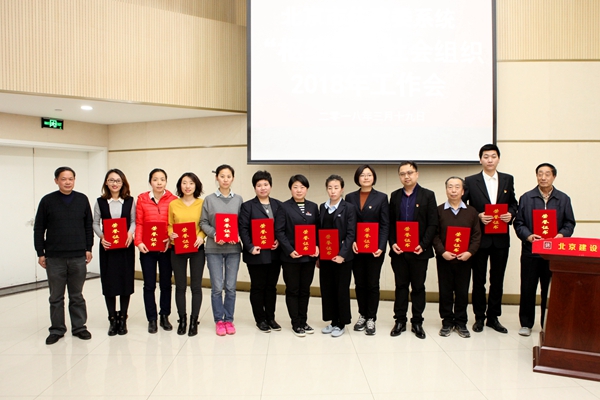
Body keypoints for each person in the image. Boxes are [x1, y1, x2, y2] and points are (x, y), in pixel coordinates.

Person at [513, 163, 575, 337]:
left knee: (551, 290)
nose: (543, 177)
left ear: (554, 177)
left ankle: (547, 323)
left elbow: (569, 223)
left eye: (547, 174)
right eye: (540, 174)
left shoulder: (563, 199)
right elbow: (519, 223)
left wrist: (561, 235)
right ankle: (526, 324)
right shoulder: (527, 198)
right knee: (528, 288)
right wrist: (528, 236)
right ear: (536, 176)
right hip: (531, 251)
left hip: (554, 254)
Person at [34, 166, 94, 345]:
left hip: (78, 256)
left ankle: (79, 327)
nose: (67, 182)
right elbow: (39, 228)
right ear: (56, 181)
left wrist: (88, 248)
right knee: (56, 297)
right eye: (63, 179)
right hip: (55, 257)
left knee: (77, 295)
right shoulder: (47, 201)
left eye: (71, 179)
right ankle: (57, 329)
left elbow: (88, 226)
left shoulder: (82, 199)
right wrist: (40, 252)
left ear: (74, 180)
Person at [463, 144, 518, 334]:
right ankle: (479, 317)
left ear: (498, 159)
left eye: (493, 156)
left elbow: (513, 203)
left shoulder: (507, 179)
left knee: (497, 279)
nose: (490, 160)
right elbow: (464, 206)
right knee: (478, 280)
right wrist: (478, 215)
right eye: (486, 156)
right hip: (479, 238)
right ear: (480, 160)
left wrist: (511, 214)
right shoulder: (471, 181)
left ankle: (493, 317)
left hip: (501, 238)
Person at [388, 161, 438, 339]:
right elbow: (390, 223)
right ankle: (400, 321)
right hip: (399, 251)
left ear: (417, 174)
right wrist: (392, 242)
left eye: (410, 173)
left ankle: (417, 321)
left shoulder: (428, 195)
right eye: (402, 174)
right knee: (400, 286)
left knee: (418, 287)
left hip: (419, 251)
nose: (406, 176)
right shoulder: (395, 196)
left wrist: (423, 244)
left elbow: (433, 223)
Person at [433, 177, 481, 338]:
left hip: (464, 259)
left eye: (457, 187)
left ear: (463, 191)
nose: (453, 190)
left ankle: (461, 322)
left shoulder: (472, 212)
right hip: (444, 259)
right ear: (446, 190)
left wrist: (470, 252)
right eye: (450, 187)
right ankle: (447, 322)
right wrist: (442, 252)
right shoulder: (439, 210)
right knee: (445, 290)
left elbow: (476, 235)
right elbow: (434, 235)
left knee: (462, 291)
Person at [200, 164, 244, 336]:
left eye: (228, 176)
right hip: (213, 249)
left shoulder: (238, 199)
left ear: (233, 178)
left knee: (231, 287)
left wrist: (237, 235)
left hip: (233, 249)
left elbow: (242, 223)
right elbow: (203, 222)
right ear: (216, 178)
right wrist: (215, 234)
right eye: (222, 176)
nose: (225, 179)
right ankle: (219, 320)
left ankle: (229, 320)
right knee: (217, 287)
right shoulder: (209, 200)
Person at [346, 165, 389, 336]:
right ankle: (362, 315)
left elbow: (385, 224)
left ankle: (371, 317)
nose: (365, 177)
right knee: (359, 283)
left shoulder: (382, 197)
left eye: (369, 175)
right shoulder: (350, 197)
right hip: (356, 248)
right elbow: (348, 223)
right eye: (362, 175)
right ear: (357, 178)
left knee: (372, 283)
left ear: (374, 177)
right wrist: (352, 241)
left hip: (374, 249)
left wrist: (381, 246)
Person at [275, 174, 320, 337]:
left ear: (307, 189)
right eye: (295, 187)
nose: (299, 190)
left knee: (305, 290)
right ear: (290, 189)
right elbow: (279, 231)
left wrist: (317, 246)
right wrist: (289, 250)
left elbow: (318, 230)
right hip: (291, 257)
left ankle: (303, 320)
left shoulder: (313, 207)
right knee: (293, 289)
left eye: (302, 187)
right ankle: (296, 322)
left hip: (308, 257)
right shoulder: (284, 207)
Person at [92, 169, 136, 336]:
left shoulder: (130, 201)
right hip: (108, 247)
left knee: (125, 281)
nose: (115, 183)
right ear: (106, 183)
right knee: (109, 282)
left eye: (118, 180)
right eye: (111, 180)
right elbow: (95, 223)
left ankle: (123, 318)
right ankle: (112, 318)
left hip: (125, 246)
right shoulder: (100, 202)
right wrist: (102, 237)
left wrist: (130, 234)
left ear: (123, 183)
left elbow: (134, 221)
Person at [239, 170, 283, 332]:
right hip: (255, 254)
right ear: (254, 187)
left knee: (271, 287)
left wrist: (279, 241)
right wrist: (250, 246)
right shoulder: (247, 206)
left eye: (266, 184)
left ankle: (271, 317)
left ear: (270, 186)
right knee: (258, 287)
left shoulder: (278, 205)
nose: (263, 188)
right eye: (259, 185)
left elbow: (282, 228)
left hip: (274, 254)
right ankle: (260, 319)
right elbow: (243, 229)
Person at [135, 168, 177, 334]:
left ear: (166, 181)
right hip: (147, 248)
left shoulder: (173, 200)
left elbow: (173, 224)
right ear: (150, 182)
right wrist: (138, 242)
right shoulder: (142, 199)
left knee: (166, 284)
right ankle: (151, 318)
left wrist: (170, 239)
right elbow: (139, 222)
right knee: (149, 284)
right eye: (155, 179)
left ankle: (164, 316)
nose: (159, 182)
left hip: (166, 248)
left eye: (162, 179)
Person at [168, 172, 206, 337]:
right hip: (177, 248)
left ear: (196, 186)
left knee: (196, 286)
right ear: (180, 185)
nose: (188, 186)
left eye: (191, 183)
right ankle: (182, 319)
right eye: (184, 183)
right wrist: (170, 233)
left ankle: (193, 320)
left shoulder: (202, 203)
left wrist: (201, 236)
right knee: (180, 286)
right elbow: (170, 224)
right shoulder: (173, 204)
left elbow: (205, 224)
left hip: (197, 249)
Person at [319, 175, 357, 338]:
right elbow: (319, 232)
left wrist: (342, 255)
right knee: (327, 289)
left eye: (336, 187)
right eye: (330, 188)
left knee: (341, 290)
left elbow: (351, 233)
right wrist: (319, 256)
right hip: (326, 257)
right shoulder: (322, 207)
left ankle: (341, 322)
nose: (333, 191)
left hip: (342, 258)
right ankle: (333, 321)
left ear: (342, 189)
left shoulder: (349, 208)